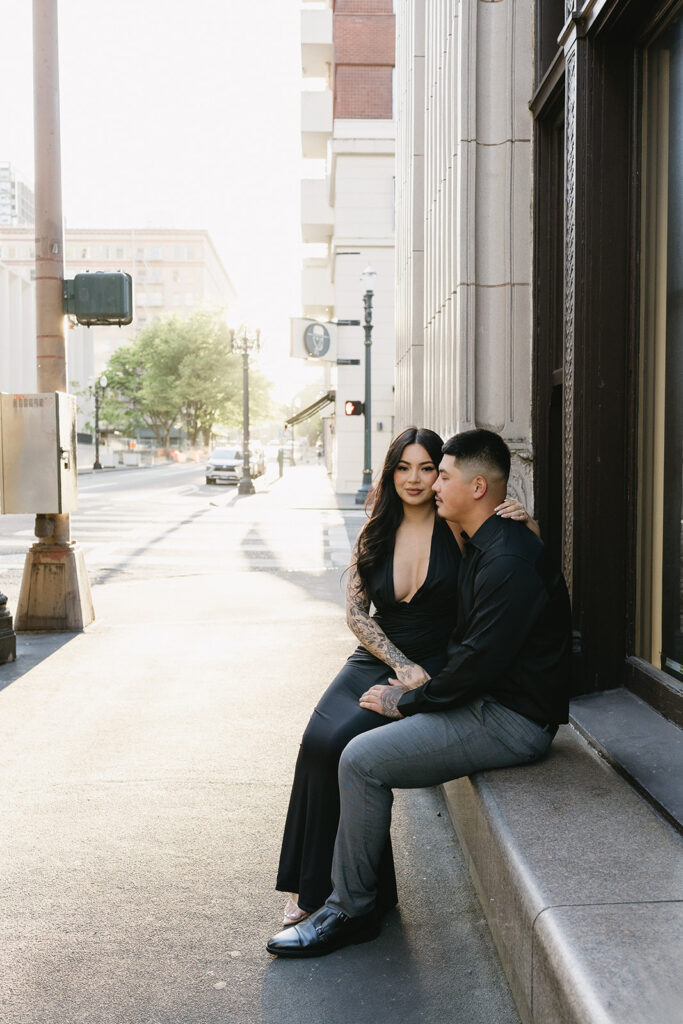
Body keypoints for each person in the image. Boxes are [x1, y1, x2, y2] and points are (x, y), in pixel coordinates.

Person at [267, 428, 572, 958]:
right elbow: (375, 617)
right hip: (462, 687)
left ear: (475, 487)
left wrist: (406, 700)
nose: (428, 484)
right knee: (330, 744)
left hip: (506, 714)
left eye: (438, 473)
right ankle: (345, 897)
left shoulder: (500, 554)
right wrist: (404, 676)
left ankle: (351, 907)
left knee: (359, 758)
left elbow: (475, 663)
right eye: (411, 470)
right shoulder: (483, 541)